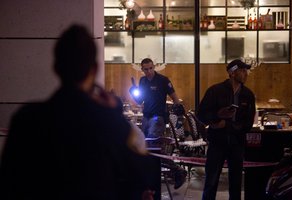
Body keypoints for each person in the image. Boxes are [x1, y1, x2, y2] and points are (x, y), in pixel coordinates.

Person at [0, 25, 155, 200]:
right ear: (95, 69)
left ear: (56, 67)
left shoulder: (26, 119)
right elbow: (142, 174)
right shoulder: (109, 122)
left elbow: (8, 184)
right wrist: (115, 114)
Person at [198, 59, 256, 200]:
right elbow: (201, 114)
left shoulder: (248, 94)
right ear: (232, 73)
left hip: (237, 143)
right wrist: (217, 117)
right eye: (242, 71)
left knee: (236, 182)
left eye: (246, 71)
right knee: (211, 180)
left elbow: (249, 122)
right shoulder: (215, 90)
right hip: (217, 141)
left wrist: (232, 126)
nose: (246, 74)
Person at [129, 58, 187, 189]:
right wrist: (133, 90)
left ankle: (176, 171)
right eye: (146, 69)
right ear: (142, 69)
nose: (149, 71)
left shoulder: (163, 80)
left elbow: (174, 96)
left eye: (150, 68)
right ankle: (168, 173)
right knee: (146, 148)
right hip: (146, 117)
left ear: (154, 67)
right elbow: (140, 101)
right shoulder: (143, 81)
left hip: (158, 118)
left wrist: (179, 109)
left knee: (152, 146)